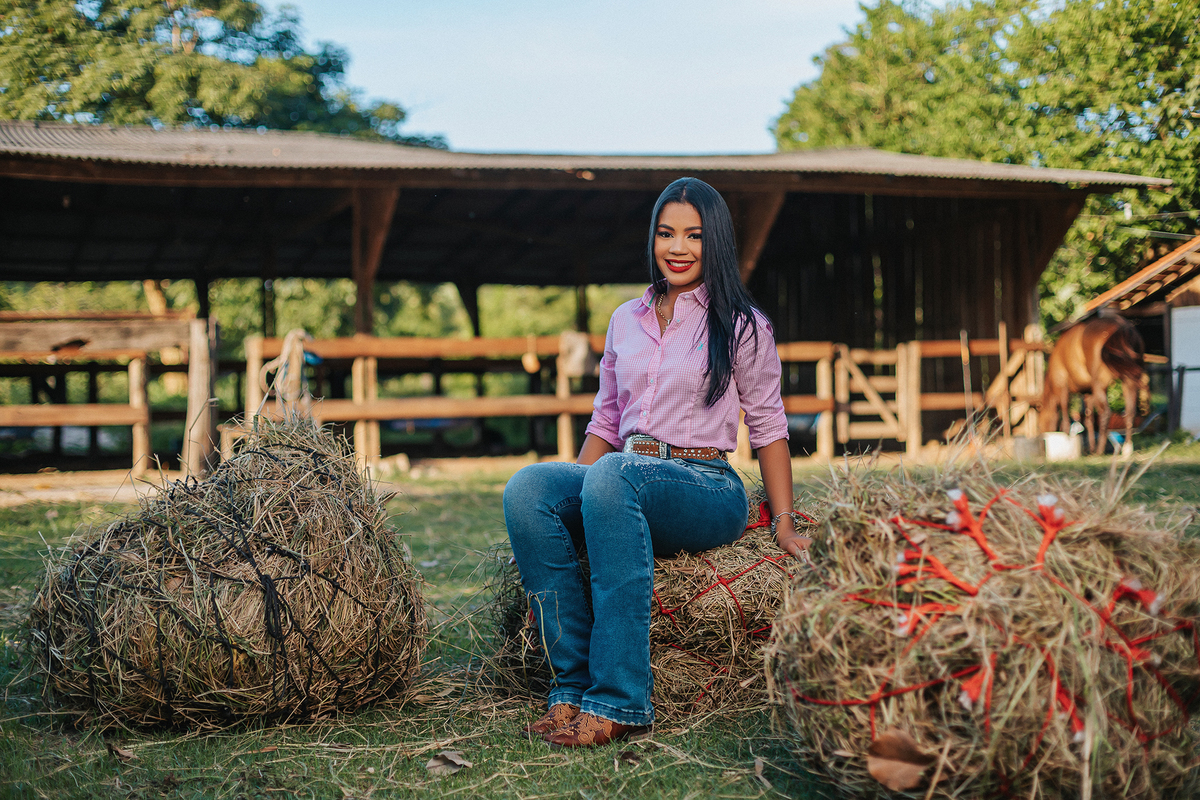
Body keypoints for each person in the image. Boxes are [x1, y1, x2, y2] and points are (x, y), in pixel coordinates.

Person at [503, 176, 810, 749]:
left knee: (615, 475)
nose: (678, 247)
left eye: (693, 236)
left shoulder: (742, 325)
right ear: (653, 239)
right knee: (528, 488)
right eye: (666, 233)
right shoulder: (626, 319)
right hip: (624, 475)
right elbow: (606, 421)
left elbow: (768, 426)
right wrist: (575, 499)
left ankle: (621, 701)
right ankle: (570, 688)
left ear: (714, 242)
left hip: (706, 487)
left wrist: (785, 520)